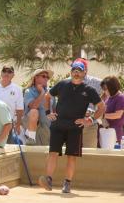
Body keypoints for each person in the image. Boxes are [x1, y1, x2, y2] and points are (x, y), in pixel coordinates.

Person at [38, 61, 105, 193]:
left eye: (79, 70)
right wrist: (48, 113)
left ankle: (67, 183)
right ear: (71, 72)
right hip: (58, 125)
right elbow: (47, 97)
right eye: (74, 70)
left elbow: (101, 107)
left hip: (75, 128)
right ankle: (48, 180)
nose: (76, 72)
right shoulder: (62, 84)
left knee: (71, 156)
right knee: (53, 153)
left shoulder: (89, 90)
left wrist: (90, 120)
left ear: (84, 73)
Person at [74, 58, 102, 148]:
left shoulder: (96, 82)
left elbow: (111, 90)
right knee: (72, 156)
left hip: (90, 124)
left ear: (86, 70)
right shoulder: (66, 83)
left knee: (90, 156)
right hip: (73, 125)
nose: (77, 71)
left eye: (80, 68)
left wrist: (100, 100)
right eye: (75, 68)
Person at [22, 69, 54, 145]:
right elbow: (33, 106)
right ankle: (31, 138)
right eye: (44, 76)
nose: (46, 79)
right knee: (34, 111)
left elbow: (54, 109)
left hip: (47, 126)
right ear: (36, 78)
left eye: (47, 77)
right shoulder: (28, 91)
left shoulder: (51, 92)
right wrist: (42, 93)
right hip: (34, 127)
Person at [0, 65, 24, 143]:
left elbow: (20, 109)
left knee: (6, 147)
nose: (6, 73)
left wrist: (18, 125)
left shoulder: (18, 89)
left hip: (8, 123)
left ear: (13, 75)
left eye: (9, 72)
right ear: (1, 73)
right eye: (4, 71)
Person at [100, 76, 124, 143]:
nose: (104, 90)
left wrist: (102, 116)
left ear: (112, 87)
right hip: (106, 131)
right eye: (103, 88)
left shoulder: (120, 98)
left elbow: (118, 115)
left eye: (105, 88)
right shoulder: (109, 98)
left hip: (115, 133)